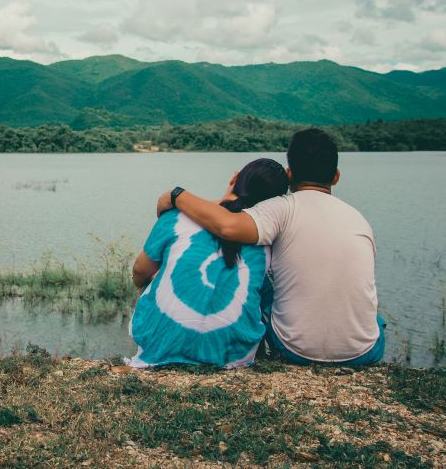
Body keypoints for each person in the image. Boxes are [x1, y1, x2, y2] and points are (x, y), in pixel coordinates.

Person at [156, 128, 385, 366]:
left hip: (293, 350)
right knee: (376, 320)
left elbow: (227, 226)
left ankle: (250, 343)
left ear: (289, 173)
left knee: (260, 276)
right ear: (336, 176)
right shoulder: (359, 219)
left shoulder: (281, 208)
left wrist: (176, 195)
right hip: (364, 352)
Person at [128, 158, 289, 368]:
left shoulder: (174, 217)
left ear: (234, 178)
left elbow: (140, 271)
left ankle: (159, 343)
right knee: (261, 283)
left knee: (153, 277)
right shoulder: (264, 238)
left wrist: (145, 283)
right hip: (235, 356)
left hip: (162, 346)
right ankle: (253, 348)